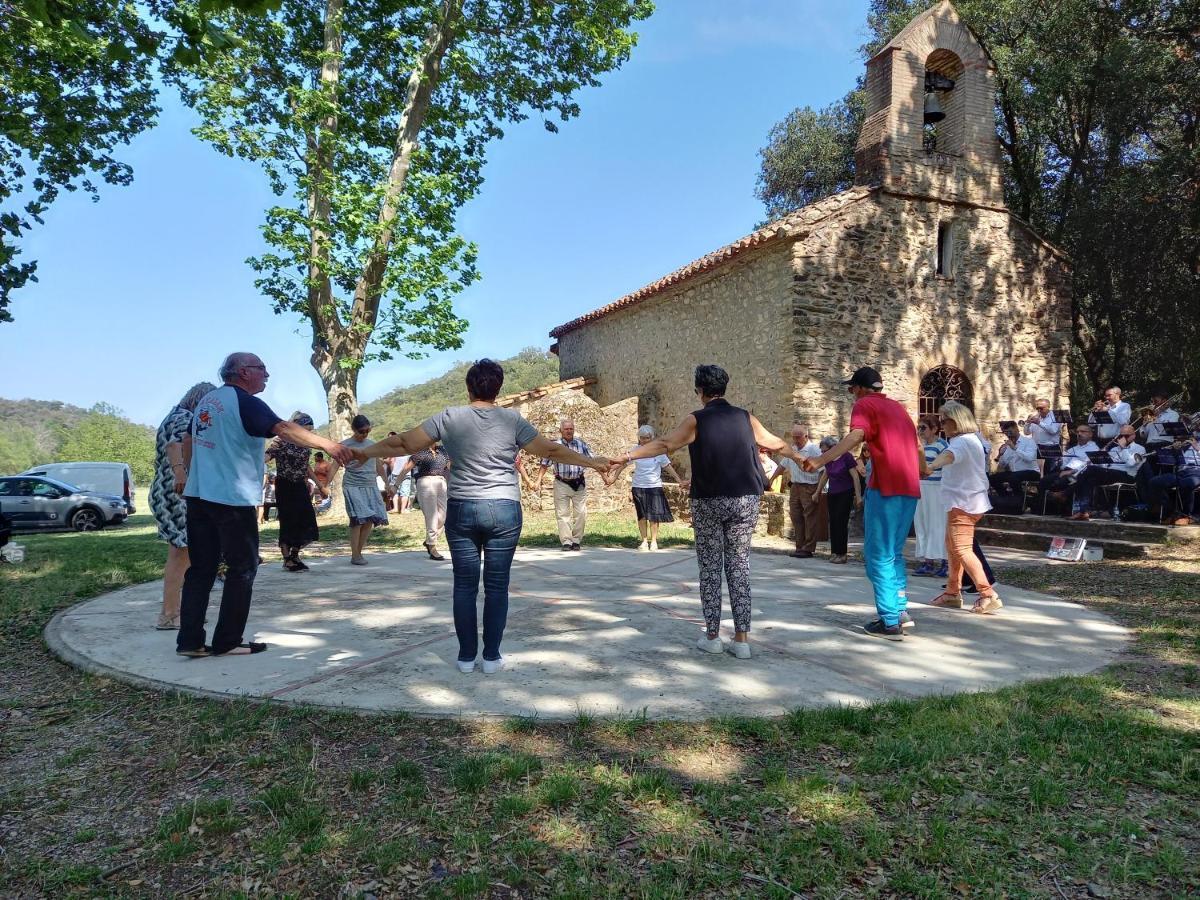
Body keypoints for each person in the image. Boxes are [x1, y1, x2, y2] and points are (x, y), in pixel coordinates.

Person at [353, 359, 608, 674]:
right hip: (504, 508)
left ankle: (465, 658)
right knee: (497, 586)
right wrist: (592, 462)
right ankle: (491, 658)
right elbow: (551, 451)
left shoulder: (449, 417)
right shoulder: (512, 420)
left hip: (463, 508)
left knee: (464, 585)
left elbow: (404, 442)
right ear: (498, 389)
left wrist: (363, 451)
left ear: (468, 386)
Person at [616, 364, 803, 660]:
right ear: (724, 388)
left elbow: (666, 443)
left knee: (711, 567)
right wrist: (799, 457)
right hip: (745, 499)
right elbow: (776, 443)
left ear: (700, 391)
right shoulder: (745, 418)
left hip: (710, 500)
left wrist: (627, 456)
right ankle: (742, 640)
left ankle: (713, 635)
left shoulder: (696, 420)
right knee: (739, 566)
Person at [177, 352, 351, 658]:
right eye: (261, 369)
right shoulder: (244, 402)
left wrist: (193, 476)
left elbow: (189, 440)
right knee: (242, 567)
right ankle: (228, 640)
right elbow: (284, 429)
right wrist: (330, 445)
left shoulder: (208, 400)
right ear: (244, 372)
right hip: (230, 497)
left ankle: (190, 640)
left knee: (201, 569)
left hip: (199, 496)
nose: (267, 374)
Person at [804, 366, 920, 641]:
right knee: (895, 553)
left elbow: (856, 436)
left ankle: (890, 622)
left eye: (851, 388)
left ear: (858, 388)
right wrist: (923, 469)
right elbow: (915, 446)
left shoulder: (865, 405)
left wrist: (821, 460)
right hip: (910, 487)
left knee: (877, 556)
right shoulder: (899, 409)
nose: (850, 394)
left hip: (886, 487)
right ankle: (900, 610)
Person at [921, 401, 1003, 614]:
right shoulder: (969, 440)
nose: (941, 424)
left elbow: (949, 456)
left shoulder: (961, 442)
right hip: (965, 501)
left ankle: (987, 593)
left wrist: (929, 466)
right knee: (952, 546)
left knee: (961, 549)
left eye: (943, 420)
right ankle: (952, 592)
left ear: (955, 421)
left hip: (963, 503)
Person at [149, 381, 217, 630]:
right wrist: (181, 475)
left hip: (173, 491)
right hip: (176, 493)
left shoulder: (175, 415)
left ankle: (184, 610)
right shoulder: (183, 418)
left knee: (188, 554)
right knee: (181, 553)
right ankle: (169, 614)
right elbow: (174, 446)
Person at [604, 424, 681, 551]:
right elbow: (623, 464)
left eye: (647, 438)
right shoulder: (635, 450)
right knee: (642, 515)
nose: (644, 440)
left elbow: (667, 466)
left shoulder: (658, 450)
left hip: (654, 486)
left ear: (652, 437)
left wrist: (679, 480)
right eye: (642, 438)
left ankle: (654, 541)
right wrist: (613, 478)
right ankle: (644, 541)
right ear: (639, 438)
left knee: (654, 515)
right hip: (638, 486)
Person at [327, 414, 389, 565]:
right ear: (353, 429)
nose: (364, 434)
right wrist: (325, 484)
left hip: (370, 484)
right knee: (357, 520)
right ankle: (355, 555)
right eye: (361, 431)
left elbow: (378, 465)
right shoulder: (344, 445)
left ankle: (359, 553)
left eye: (367, 431)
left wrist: (387, 483)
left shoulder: (372, 444)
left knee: (369, 520)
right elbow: (334, 466)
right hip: (352, 485)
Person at [265, 411, 322, 571]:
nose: (308, 433)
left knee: (306, 520)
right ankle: (286, 558)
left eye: (310, 431)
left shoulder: (305, 443)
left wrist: (319, 485)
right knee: (288, 520)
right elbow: (268, 455)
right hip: (284, 484)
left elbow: (306, 467)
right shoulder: (281, 440)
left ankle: (295, 554)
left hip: (300, 485)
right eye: (306, 429)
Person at [535, 419, 593, 551]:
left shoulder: (580, 444)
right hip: (561, 482)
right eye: (566, 429)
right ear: (561, 430)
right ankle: (566, 541)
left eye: (571, 429)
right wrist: (538, 480)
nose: (569, 431)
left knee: (581, 513)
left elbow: (592, 460)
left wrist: (605, 475)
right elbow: (544, 463)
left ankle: (576, 540)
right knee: (562, 514)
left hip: (579, 483)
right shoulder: (554, 446)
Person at [1069, 424, 1144, 520]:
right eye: (1121, 436)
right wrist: (1099, 458)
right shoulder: (1114, 449)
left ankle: (1066, 493)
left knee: (1089, 471)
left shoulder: (1140, 449)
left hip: (1127, 475)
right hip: (1110, 473)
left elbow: (1130, 463)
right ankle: (1083, 511)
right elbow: (1106, 465)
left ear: (1133, 436)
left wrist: (1123, 448)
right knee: (1088, 479)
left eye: (1126, 436)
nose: (1123, 438)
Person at [777, 424, 823, 558]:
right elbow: (782, 465)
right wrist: (771, 479)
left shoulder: (814, 450)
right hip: (796, 486)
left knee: (809, 517)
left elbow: (822, 471)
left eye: (798, 437)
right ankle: (799, 546)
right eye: (794, 437)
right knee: (795, 516)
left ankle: (808, 548)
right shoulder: (793, 449)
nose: (796, 440)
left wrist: (818, 491)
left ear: (806, 436)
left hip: (810, 485)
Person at [814, 434, 861, 564]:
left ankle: (842, 553)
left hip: (845, 493)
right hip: (832, 493)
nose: (823, 453)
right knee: (833, 523)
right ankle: (835, 552)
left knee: (841, 522)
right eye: (822, 451)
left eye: (825, 451)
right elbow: (825, 476)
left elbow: (855, 476)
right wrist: (817, 492)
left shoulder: (846, 456)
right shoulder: (828, 460)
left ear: (833, 447)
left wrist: (857, 496)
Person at [913, 416, 949, 577]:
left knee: (937, 525)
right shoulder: (920, 446)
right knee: (922, 524)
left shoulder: (942, 445)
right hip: (921, 487)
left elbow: (947, 468)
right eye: (919, 428)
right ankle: (927, 561)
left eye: (923, 428)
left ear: (934, 429)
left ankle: (945, 561)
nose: (920, 431)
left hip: (936, 487)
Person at [1146, 430, 1200, 526]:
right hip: (1180, 472)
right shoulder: (1187, 443)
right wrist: (1176, 450)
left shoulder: (1195, 444)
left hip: (1196, 473)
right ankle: (1170, 511)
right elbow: (1176, 460)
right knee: (1154, 482)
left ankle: (1187, 516)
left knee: (1188, 483)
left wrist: (1197, 449)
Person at [1038, 424, 1099, 506]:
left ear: (1090, 434)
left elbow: (1088, 465)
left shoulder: (1094, 448)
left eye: (1083, 431)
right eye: (1077, 432)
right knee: (1044, 481)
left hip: (1079, 474)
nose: (1079, 434)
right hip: (1065, 471)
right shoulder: (1072, 449)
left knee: (1060, 482)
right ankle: (1042, 508)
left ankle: (1061, 503)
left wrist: (1071, 471)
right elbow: (1064, 463)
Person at [410, 442, 452, 559]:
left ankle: (429, 541)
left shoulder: (443, 451)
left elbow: (450, 467)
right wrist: (395, 485)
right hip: (425, 482)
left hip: (441, 482)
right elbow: (406, 468)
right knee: (431, 517)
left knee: (443, 517)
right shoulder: (421, 451)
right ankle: (432, 547)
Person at [989, 420, 1040, 497]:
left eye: (1010, 432)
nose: (1008, 435)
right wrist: (1000, 455)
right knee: (993, 478)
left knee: (1013, 477)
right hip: (1014, 473)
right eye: (1006, 433)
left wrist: (1014, 448)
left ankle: (1019, 500)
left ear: (1016, 429)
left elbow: (1030, 458)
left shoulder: (1029, 441)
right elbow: (1003, 464)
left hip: (1031, 472)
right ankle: (1005, 497)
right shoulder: (1008, 445)